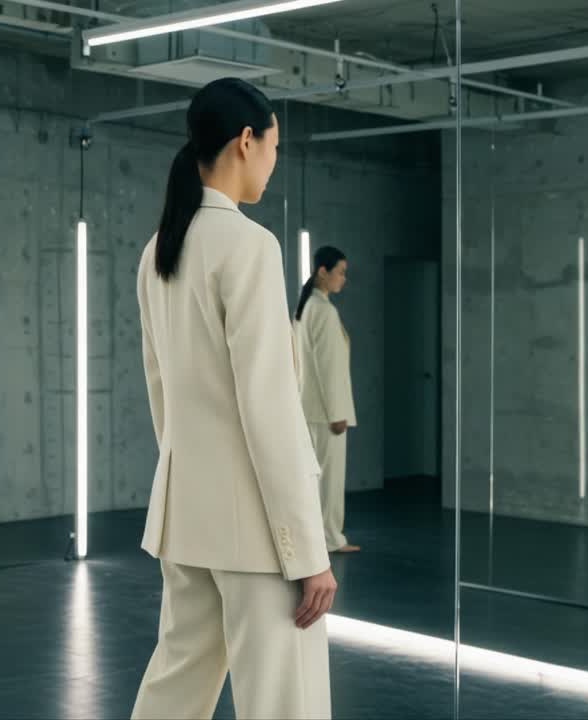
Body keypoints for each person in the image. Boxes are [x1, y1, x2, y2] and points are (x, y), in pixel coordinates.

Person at [132, 77, 336, 720]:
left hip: (185, 514)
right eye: (275, 147)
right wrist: (307, 549)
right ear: (246, 141)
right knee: (284, 702)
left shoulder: (157, 249)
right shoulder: (249, 245)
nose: (274, 163)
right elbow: (269, 406)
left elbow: (159, 388)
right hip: (257, 529)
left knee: (176, 685)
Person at [295, 247, 360, 554]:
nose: (343, 278)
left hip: (311, 408)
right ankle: (330, 537)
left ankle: (319, 536)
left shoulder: (308, 307)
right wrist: (337, 412)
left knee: (315, 477)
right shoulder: (323, 311)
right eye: (340, 271)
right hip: (324, 411)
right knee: (329, 479)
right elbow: (328, 368)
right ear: (323, 271)